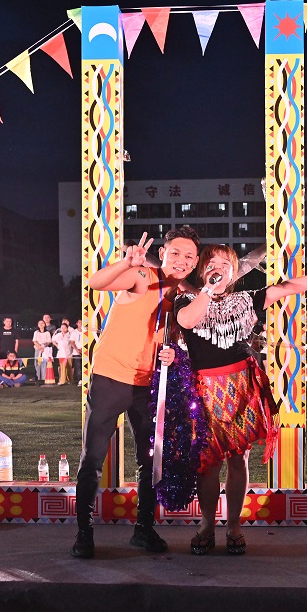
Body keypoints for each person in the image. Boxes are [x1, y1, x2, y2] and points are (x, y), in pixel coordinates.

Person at [176, 243, 307, 556]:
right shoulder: (186, 300)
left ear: (233, 273)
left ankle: (234, 525)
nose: (218, 267)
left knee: (238, 459)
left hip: (242, 388)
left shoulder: (246, 300)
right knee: (207, 463)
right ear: (202, 269)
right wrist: (207, 291)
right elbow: (186, 321)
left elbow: (286, 288)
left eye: (226, 263)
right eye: (212, 262)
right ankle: (207, 525)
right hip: (206, 392)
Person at [73, 228, 201, 559]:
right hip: (110, 378)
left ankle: (143, 529)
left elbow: (177, 342)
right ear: (164, 253)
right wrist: (125, 264)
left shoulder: (183, 298)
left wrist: (173, 355)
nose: (181, 260)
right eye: (175, 253)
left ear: (195, 262)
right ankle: (84, 532)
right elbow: (96, 283)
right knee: (93, 458)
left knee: (150, 460)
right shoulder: (144, 276)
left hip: (148, 384)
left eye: (189, 256)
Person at [32, 320, 52, 385]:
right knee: (37, 363)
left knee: (44, 363)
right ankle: (38, 378)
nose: (41, 324)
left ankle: (43, 378)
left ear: (44, 324)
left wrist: (43, 346)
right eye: (39, 323)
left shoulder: (47, 333)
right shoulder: (36, 332)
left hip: (45, 350)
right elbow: (34, 341)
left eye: (42, 323)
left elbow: (49, 341)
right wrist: (39, 347)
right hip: (38, 349)